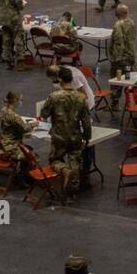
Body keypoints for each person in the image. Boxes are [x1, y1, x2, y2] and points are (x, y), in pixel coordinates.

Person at [40, 67, 94, 195]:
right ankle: (73, 189)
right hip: (75, 135)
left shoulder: (54, 96)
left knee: (54, 160)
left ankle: (64, 170)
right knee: (75, 160)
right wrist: (87, 137)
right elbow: (86, 122)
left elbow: (44, 113)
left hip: (59, 135)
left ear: (60, 80)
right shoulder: (81, 98)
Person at [0, 0, 28, 71]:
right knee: (18, 39)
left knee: (6, 40)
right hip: (14, 19)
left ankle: (8, 62)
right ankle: (21, 63)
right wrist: (23, 5)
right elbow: (19, 6)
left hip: (3, 19)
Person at [108, 4, 136, 82]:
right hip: (129, 59)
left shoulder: (118, 25)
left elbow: (118, 44)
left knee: (117, 82)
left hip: (120, 62)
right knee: (128, 80)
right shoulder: (131, 23)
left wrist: (115, 60)